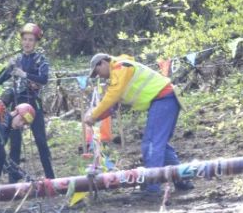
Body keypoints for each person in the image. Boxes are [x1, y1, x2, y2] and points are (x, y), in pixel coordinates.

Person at [83, 53, 194, 193]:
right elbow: (113, 105)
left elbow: (112, 96)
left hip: (163, 99)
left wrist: (93, 115)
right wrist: (95, 116)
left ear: (103, 62)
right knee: (160, 145)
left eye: (97, 72)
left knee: (152, 144)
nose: (99, 76)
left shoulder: (120, 67)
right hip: (165, 99)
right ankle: (182, 180)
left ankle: (152, 187)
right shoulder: (118, 74)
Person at [0, 23, 55, 181]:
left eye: (31, 40)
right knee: (14, 144)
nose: (27, 43)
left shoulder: (40, 60)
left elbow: (44, 79)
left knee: (41, 141)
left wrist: (24, 74)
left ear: (36, 42)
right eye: (25, 39)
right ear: (21, 41)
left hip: (34, 103)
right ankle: (13, 180)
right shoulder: (17, 59)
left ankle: (51, 177)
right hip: (17, 105)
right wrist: (8, 68)